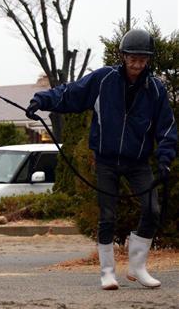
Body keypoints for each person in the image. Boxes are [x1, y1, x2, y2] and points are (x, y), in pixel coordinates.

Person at [26, 29, 177, 290]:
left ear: (147, 60)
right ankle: (108, 272)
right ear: (123, 56)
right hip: (106, 159)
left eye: (142, 59)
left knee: (152, 209)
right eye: (132, 59)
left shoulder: (156, 89)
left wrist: (164, 160)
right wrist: (41, 100)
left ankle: (138, 267)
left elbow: (167, 127)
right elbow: (71, 93)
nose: (137, 64)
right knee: (107, 215)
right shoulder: (103, 79)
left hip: (138, 161)